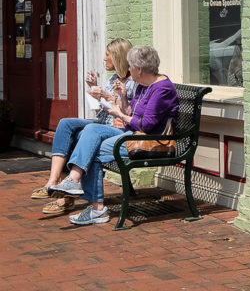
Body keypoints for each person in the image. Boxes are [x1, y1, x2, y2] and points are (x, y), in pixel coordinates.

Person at [50, 45, 179, 227]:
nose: (129, 70)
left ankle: (96, 207)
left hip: (148, 140)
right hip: (132, 133)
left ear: (139, 70)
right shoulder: (144, 85)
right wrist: (124, 98)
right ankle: (74, 181)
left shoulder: (162, 89)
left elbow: (147, 125)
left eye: (131, 67)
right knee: (91, 130)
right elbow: (132, 114)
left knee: (93, 149)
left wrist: (119, 114)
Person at [32, 37, 136, 217]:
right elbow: (101, 112)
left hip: (118, 129)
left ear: (118, 57)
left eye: (107, 54)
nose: (104, 59)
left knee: (82, 135)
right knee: (66, 124)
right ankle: (53, 180)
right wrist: (95, 91)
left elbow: (130, 114)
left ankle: (65, 195)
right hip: (104, 123)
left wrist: (105, 96)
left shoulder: (134, 82)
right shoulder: (112, 79)